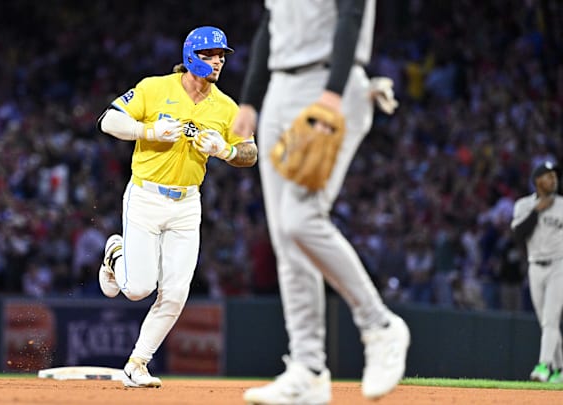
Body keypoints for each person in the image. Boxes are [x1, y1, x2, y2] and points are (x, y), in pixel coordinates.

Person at [232, 1, 410, 403]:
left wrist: (334, 90)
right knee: (284, 237)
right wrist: (250, 99)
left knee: (300, 220)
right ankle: (308, 369)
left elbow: (351, 14)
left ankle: (379, 325)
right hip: (280, 85)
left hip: (329, 81)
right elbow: (269, 23)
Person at [96, 26, 258, 388]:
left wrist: (226, 150)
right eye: (210, 55)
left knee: (176, 293)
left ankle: (137, 363)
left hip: (187, 203)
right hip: (146, 196)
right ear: (190, 56)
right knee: (138, 288)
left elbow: (251, 152)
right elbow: (108, 120)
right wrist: (148, 132)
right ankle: (115, 253)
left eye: (221, 56)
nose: (218, 61)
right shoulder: (155, 88)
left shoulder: (227, 106)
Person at [511, 161, 563, 383]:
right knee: (546, 322)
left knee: (551, 320)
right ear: (536, 181)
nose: (553, 179)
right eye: (547, 176)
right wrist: (536, 211)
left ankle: (543, 366)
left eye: (554, 176)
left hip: (559, 265)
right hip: (535, 267)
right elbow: (518, 235)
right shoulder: (523, 205)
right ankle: (560, 371)